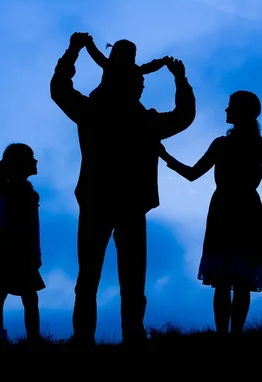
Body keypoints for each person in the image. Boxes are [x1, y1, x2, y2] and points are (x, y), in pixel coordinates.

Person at [50, 32, 196, 346]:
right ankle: (131, 336)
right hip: (130, 204)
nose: (142, 86)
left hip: (97, 201)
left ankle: (86, 337)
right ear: (131, 85)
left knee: (89, 277)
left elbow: (60, 90)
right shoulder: (143, 121)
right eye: (139, 83)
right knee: (130, 280)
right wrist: (180, 80)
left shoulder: (92, 112)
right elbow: (184, 116)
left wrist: (73, 51)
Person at [159, 90, 262, 337]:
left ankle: (225, 336)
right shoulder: (258, 145)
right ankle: (233, 336)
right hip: (246, 211)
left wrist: (164, 155)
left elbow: (192, 174)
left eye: (230, 106)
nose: (226, 110)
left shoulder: (225, 144)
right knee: (240, 280)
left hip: (225, 210)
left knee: (225, 280)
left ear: (242, 111)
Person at [0, 143, 45, 346]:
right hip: (10, 251)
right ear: (21, 163)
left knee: (10, 296)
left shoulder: (18, 190)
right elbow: (1, 222)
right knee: (14, 296)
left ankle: (14, 338)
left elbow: (32, 227)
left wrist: (35, 251)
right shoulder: (13, 191)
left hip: (14, 250)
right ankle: (20, 339)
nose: (35, 160)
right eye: (31, 157)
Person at [84, 36, 168, 100]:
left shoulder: (114, 66)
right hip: (105, 102)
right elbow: (97, 55)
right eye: (132, 55)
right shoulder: (115, 66)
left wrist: (89, 43)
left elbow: (97, 55)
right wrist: (162, 62)